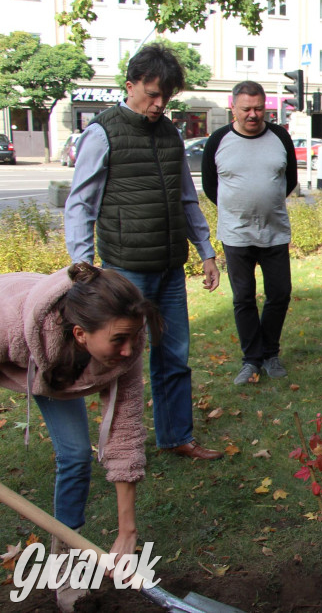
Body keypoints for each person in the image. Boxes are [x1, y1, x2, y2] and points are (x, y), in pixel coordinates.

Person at [64, 43, 223, 460]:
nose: (158, 104)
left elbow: (187, 198)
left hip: (170, 267)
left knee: (175, 355)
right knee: (120, 360)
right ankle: (119, 448)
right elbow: (81, 203)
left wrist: (205, 251)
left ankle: (176, 437)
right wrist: (82, 267)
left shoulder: (171, 135)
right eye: (151, 94)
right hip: (124, 271)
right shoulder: (102, 132)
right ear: (130, 84)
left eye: (165, 97)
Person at [0, 263, 159, 611]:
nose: (130, 350)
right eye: (119, 340)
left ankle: (65, 565)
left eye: (134, 336)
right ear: (79, 334)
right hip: (22, 346)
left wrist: (127, 530)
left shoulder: (126, 344)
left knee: (74, 455)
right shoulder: (6, 322)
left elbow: (126, 434)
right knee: (73, 453)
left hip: (58, 366)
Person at [202, 81, 298, 385]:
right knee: (243, 298)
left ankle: (270, 353)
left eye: (259, 108)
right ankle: (251, 360)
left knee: (279, 294)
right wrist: (238, 207)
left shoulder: (280, 136)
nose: (254, 115)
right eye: (247, 109)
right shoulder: (218, 140)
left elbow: (290, 179)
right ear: (234, 108)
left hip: (275, 233)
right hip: (236, 235)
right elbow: (209, 185)